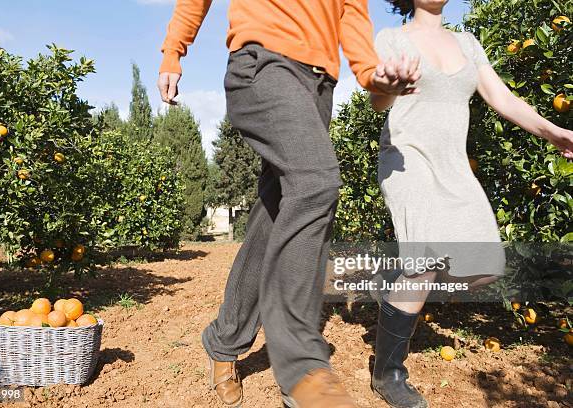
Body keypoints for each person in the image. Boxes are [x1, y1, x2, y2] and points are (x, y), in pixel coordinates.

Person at [157, 1, 421, 407]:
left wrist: (374, 76)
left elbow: (351, 14)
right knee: (316, 183)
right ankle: (302, 367)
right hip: (264, 64)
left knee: (275, 214)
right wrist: (173, 51)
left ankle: (223, 341)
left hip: (319, 87)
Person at [369, 1, 573, 408]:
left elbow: (502, 98)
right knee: (423, 262)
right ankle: (388, 372)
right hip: (406, 158)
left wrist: (552, 132)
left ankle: (399, 289)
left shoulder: (467, 42)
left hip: (453, 164)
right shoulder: (392, 38)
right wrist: (387, 89)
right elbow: (378, 100)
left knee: (485, 267)